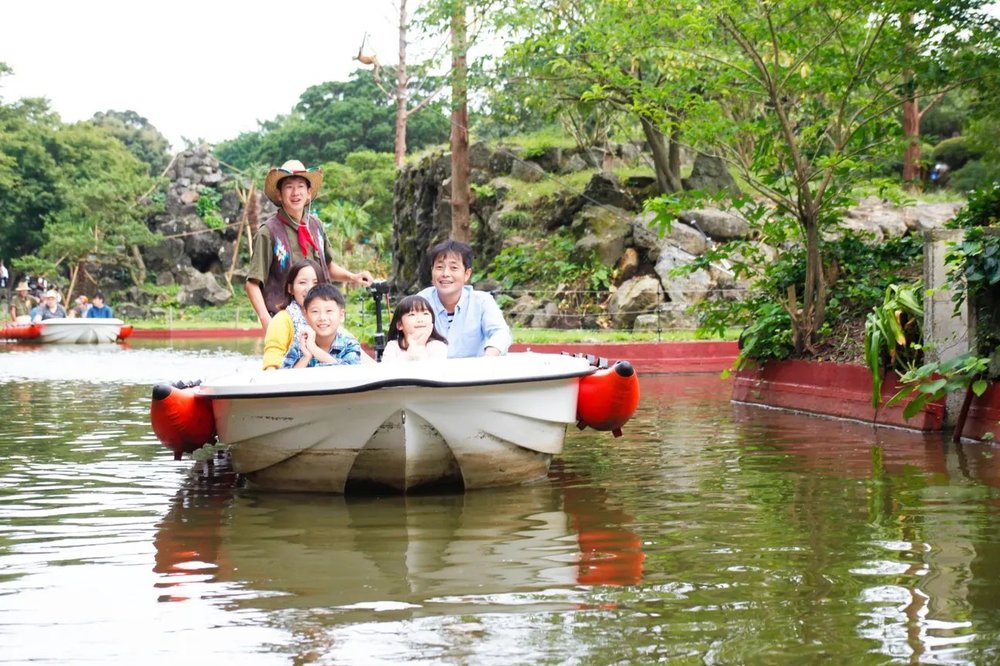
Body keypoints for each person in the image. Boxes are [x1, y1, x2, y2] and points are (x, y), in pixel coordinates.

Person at [245, 159, 375, 331]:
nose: (295, 192)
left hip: (321, 317)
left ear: (308, 193)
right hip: (286, 320)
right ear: (279, 194)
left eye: (300, 186)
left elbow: (327, 267)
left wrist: (353, 277)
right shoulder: (268, 232)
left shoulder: (316, 226)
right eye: (289, 186)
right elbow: (252, 283)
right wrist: (266, 321)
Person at [417, 239, 512, 358]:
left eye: (454, 268)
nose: (445, 273)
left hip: (473, 373)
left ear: (467, 274)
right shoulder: (420, 302)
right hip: (431, 373)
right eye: (439, 267)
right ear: (432, 271)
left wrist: (489, 357)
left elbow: (500, 333)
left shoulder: (482, 301)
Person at [262, 259, 324, 370]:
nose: (309, 288)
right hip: (292, 383)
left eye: (315, 283)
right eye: (302, 282)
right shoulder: (282, 320)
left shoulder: (327, 318)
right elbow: (272, 361)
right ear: (290, 288)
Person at [284, 283, 363, 368]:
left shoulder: (350, 344)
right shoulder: (299, 346)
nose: (322, 317)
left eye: (329, 311)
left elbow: (349, 374)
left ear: (341, 315)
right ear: (305, 316)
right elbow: (287, 379)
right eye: (315, 311)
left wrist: (314, 349)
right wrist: (306, 357)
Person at [382, 295, 449, 362]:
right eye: (412, 314)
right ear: (399, 324)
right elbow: (389, 371)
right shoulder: (393, 347)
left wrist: (420, 346)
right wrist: (411, 352)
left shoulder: (437, 346)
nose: (420, 319)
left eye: (425, 313)